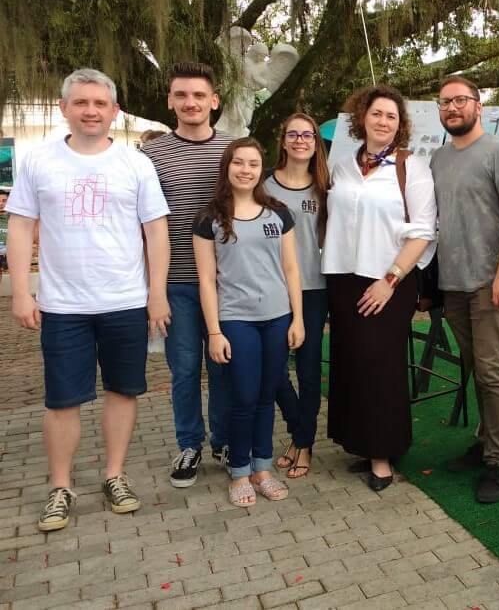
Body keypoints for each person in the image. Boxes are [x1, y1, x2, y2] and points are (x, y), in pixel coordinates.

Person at [6, 69, 170, 531]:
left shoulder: (136, 164)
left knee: (122, 391)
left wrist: (156, 294)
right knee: (62, 400)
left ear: (114, 111)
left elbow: (155, 231)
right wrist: (21, 290)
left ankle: (114, 475)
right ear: (64, 108)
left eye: (100, 104)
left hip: (124, 300)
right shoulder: (39, 161)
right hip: (62, 305)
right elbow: (20, 227)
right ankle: (60, 487)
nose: (91, 111)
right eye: (81, 103)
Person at [322, 85, 436, 492]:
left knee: (381, 368)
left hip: (389, 280)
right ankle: (360, 444)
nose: (383, 121)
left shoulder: (413, 167)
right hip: (343, 278)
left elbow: (423, 231)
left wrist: (390, 280)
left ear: (399, 124)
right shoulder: (345, 166)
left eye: (391, 116)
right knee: (351, 363)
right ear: (362, 118)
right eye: (376, 114)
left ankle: (384, 454)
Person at [429, 75, 499, 504]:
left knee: (491, 373)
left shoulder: (498, 154)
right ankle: (486, 442)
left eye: (460, 101)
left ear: (478, 106)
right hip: (452, 283)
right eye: (444, 102)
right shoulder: (437, 159)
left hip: (490, 282)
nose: (452, 108)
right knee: (475, 367)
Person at [193, 138, 304, 507]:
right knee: (242, 396)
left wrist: (298, 319)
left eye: (253, 164)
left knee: (266, 395)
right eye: (238, 162)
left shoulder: (278, 213)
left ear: (261, 169)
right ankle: (239, 470)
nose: (245, 169)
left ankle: (263, 467)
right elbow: (206, 280)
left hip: (277, 318)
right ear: (227, 167)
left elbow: (291, 268)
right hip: (235, 319)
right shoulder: (209, 218)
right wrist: (213, 331)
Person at [143, 63, 233, 488]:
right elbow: (140, 226)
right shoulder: (151, 155)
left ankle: (225, 440)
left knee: (222, 366)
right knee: (183, 369)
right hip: (176, 282)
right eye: (181, 95)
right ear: (170, 101)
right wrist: (153, 291)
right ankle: (190, 444)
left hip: (226, 282)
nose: (191, 103)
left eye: (199, 95)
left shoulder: (234, 150)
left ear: (214, 100)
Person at [266, 112, 330, 478]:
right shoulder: (264, 187)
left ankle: (304, 444)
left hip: (314, 289)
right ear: (284, 140)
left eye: (308, 135)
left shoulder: (325, 188)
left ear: (315, 143)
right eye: (294, 134)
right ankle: (298, 427)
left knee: (308, 371)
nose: (301, 140)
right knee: (273, 370)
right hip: (272, 289)